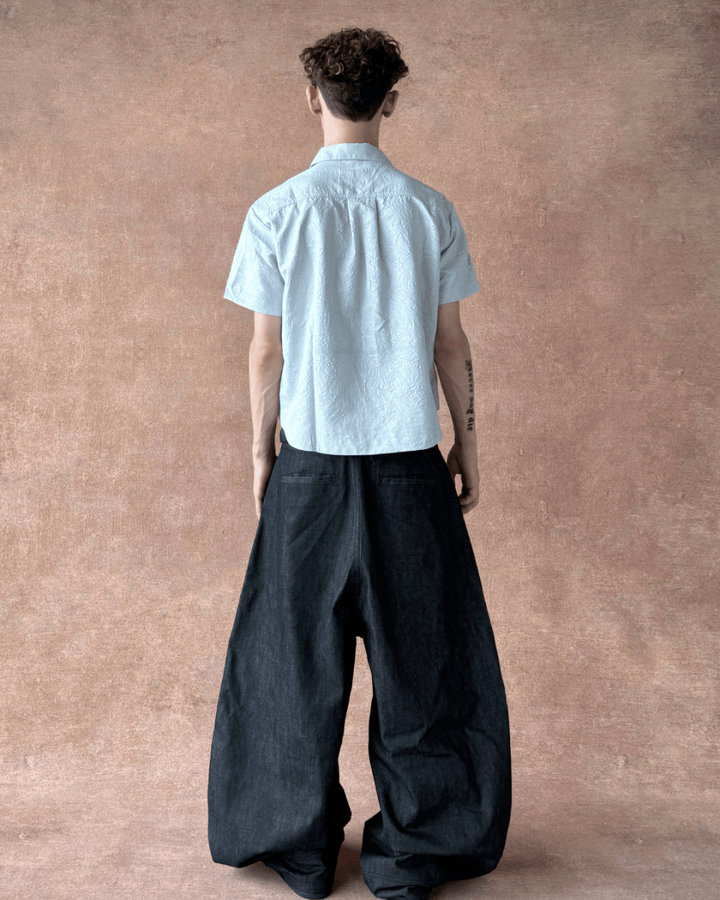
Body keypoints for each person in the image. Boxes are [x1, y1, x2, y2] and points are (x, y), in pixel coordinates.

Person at [207, 26, 512, 900]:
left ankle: (298, 854)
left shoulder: (276, 211)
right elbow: (451, 345)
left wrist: (260, 453)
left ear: (313, 96)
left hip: (309, 469)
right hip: (410, 470)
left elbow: (265, 352)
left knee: (288, 665)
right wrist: (469, 445)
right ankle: (418, 854)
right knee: (428, 668)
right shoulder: (429, 210)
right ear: (391, 101)